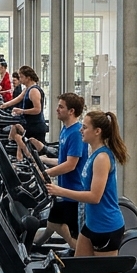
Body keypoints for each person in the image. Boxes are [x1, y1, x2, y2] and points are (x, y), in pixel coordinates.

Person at [45, 111, 133, 273]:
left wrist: (61, 191)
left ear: (98, 131)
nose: (81, 131)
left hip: (106, 227)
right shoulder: (93, 153)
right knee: (79, 268)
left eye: (85, 127)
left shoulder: (102, 158)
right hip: (91, 224)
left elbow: (95, 197)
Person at [43, 93, 87, 249]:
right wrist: (41, 160)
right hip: (63, 190)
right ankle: (29, 248)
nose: (57, 109)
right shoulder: (65, 130)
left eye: (61, 107)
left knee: (68, 233)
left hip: (73, 193)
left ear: (71, 111)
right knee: (51, 223)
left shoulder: (76, 133)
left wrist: (46, 174)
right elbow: (62, 161)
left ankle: (82, 258)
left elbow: (70, 165)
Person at [1, 66, 47, 156]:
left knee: (19, 138)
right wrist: (4, 105)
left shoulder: (34, 91)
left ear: (28, 77)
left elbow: (37, 110)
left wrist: (22, 111)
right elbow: (18, 99)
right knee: (15, 127)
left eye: (21, 77)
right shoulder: (27, 89)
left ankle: (23, 157)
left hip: (35, 126)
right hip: (29, 123)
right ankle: (16, 153)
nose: (20, 79)